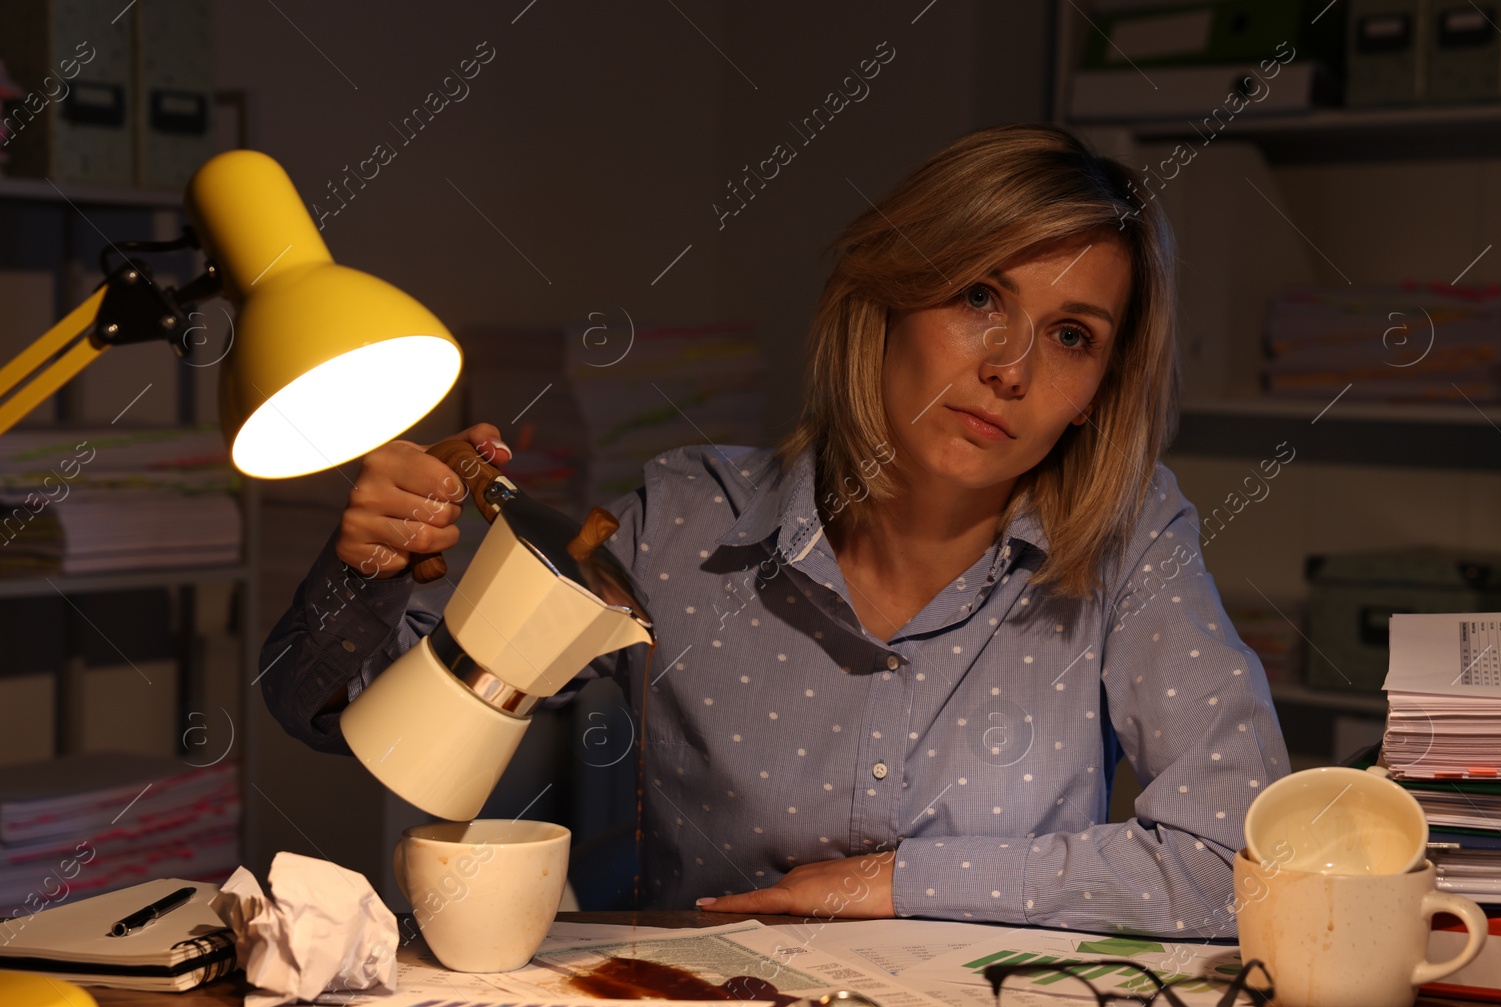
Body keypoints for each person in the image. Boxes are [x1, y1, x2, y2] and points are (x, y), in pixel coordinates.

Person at [261, 123, 1290, 936]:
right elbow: (348, 721)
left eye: (1072, 335)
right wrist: (369, 571)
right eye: (979, 295)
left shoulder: (1128, 534)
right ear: (885, 295)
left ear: (1096, 391)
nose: (1012, 366)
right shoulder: (685, 524)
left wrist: (895, 884)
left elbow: (1241, 866)